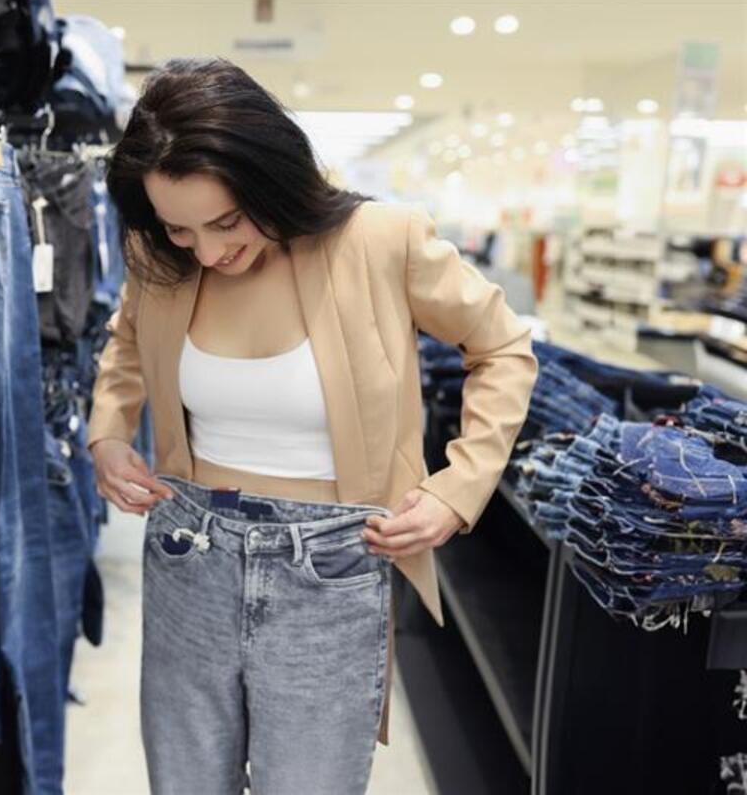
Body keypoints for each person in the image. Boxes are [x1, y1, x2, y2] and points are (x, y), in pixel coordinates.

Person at [87, 57, 538, 795]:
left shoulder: (380, 239)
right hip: (189, 555)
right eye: (179, 228)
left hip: (330, 565)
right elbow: (128, 342)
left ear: (269, 177)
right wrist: (110, 431)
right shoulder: (158, 258)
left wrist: (459, 487)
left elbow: (502, 347)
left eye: (226, 221)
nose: (207, 252)